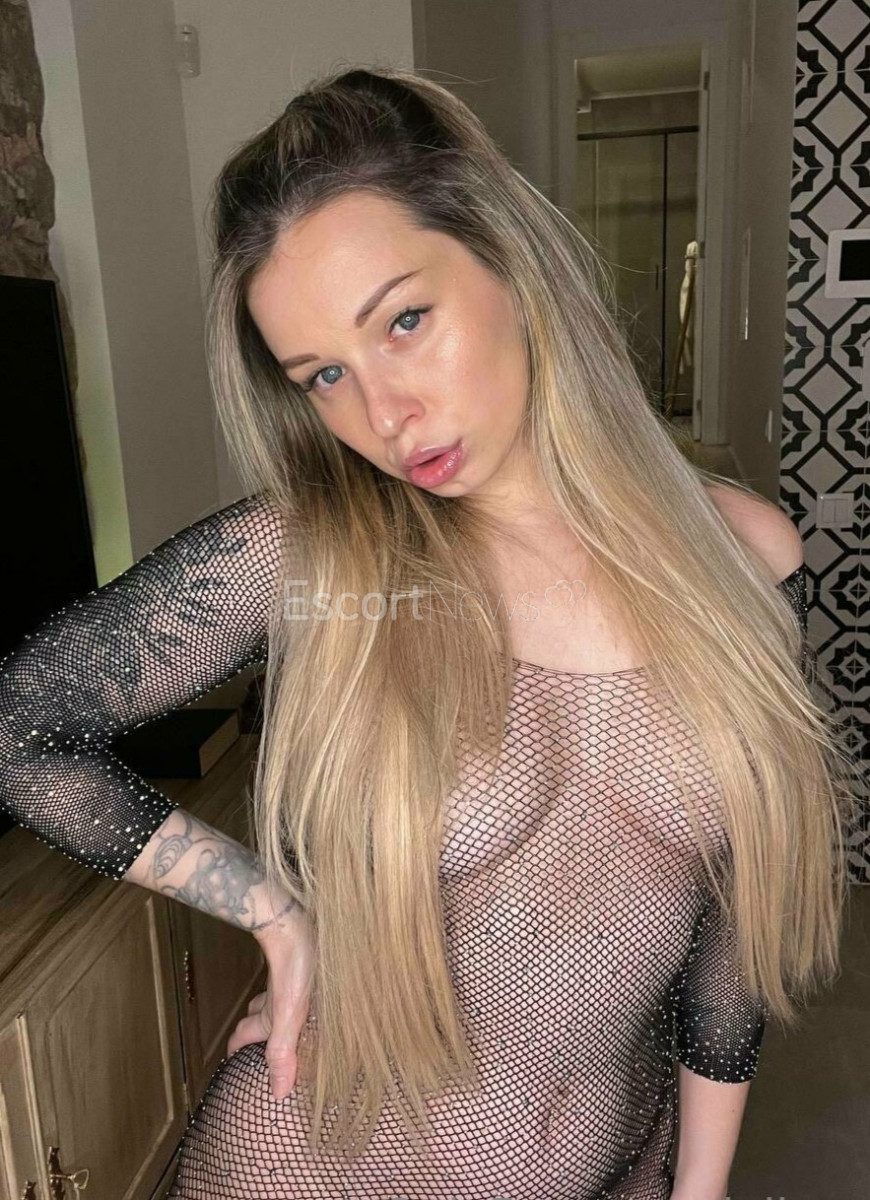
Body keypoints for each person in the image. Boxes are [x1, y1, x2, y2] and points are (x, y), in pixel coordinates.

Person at [0, 65, 856, 1200]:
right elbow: (25, 728)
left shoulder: (742, 556)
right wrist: (274, 914)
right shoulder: (317, 556)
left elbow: (732, 942)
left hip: (613, 1164)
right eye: (325, 375)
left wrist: (699, 1189)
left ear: (508, 260)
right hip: (324, 1163)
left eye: (404, 321)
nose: (383, 416)